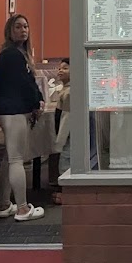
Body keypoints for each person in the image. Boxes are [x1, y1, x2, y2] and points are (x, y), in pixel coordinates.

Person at [0, 14, 44, 221]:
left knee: (8, 157)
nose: (23, 30)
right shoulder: (13, 55)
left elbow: (27, 82)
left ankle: (5, 203)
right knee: (16, 159)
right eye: (18, 27)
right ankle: (22, 208)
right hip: (15, 111)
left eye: (25, 26)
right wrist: (36, 103)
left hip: (6, 110)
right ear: (9, 30)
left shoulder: (14, 54)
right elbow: (25, 84)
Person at [48, 58, 71, 204]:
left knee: (66, 159)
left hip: (68, 135)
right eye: (59, 68)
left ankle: (66, 192)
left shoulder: (69, 93)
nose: (60, 71)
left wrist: (59, 141)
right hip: (64, 133)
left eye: (65, 68)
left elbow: (67, 119)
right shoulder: (63, 90)